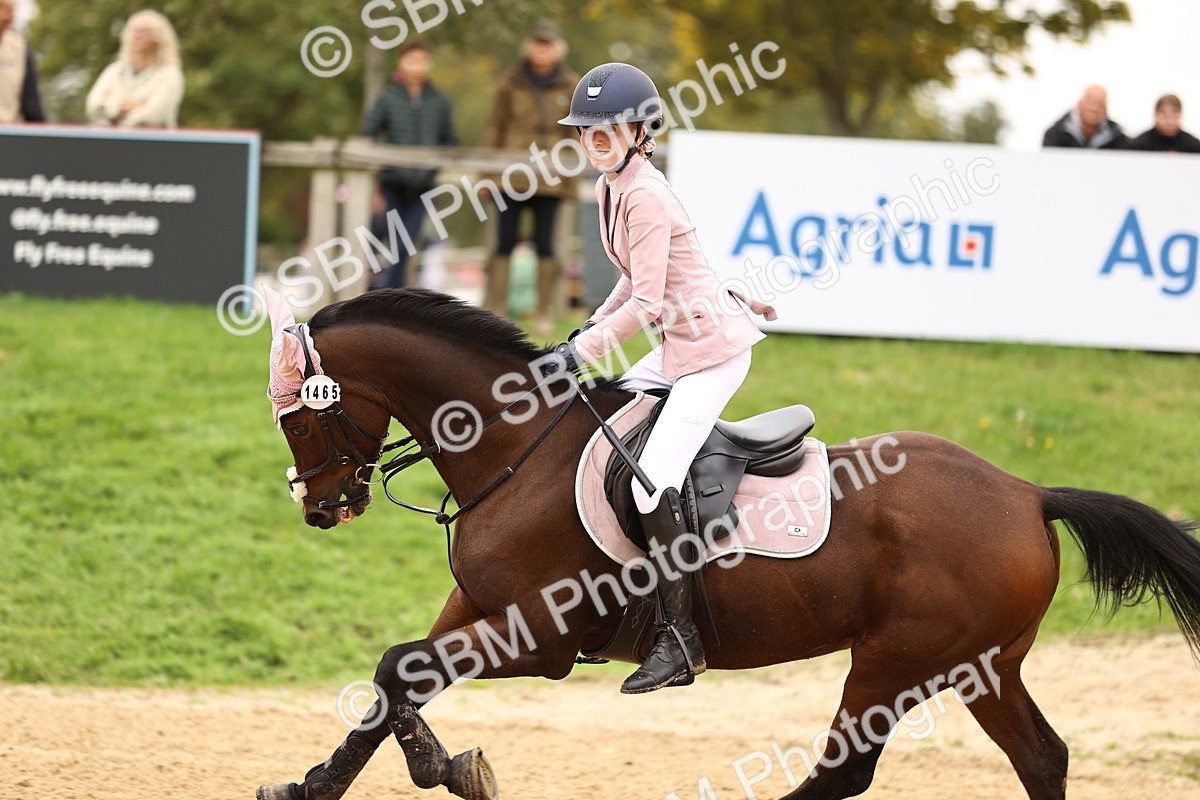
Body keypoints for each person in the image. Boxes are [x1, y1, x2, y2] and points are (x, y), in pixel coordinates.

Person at [552, 63, 776, 694]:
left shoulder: (645, 193)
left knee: (651, 483)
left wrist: (582, 352)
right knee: (613, 426)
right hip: (680, 342)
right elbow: (630, 278)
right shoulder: (611, 187)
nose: (594, 140)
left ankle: (681, 641)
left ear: (639, 131)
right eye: (585, 131)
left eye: (606, 129)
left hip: (711, 350)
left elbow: (648, 304)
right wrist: (584, 336)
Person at [480, 20, 578, 333]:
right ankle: (495, 311)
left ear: (557, 49)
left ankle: (544, 313)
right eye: (537, 42)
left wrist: (570, 182)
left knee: (546, 245)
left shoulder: (571, 85)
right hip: (510, 174)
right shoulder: (510, 82)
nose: (541, 49)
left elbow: (575, 135)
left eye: (547, 44)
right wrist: (487, 175)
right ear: (529, 45)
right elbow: (494, 127)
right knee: (504, 242)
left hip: (551, 178)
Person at [360, 39, 458, 289]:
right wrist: (382, 168)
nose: (417, 66)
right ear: (401, 63)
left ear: (429, 64)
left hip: (424, 187)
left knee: (407, 243)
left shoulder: (439, 101)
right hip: (392, 185)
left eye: (422, 61)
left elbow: (451, 141)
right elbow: (367, 134)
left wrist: (434, 164)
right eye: (412, 60)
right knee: (391, 243)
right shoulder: (387, 98)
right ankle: (385, 294)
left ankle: (387, 295)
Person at [85, 9, 183, 128]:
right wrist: (120, 108)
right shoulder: (114, 71)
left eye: (145, 31)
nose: (138, 35)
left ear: (159, 37)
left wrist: (114, 113)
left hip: (152, 143)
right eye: (134, 31)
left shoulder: (169, 75)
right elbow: (92, 106)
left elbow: (154, 115)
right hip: (110, 142)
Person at [1042, 85, 1128, 150]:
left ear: (1106, 109)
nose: (1094, 109)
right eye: (1090, 102)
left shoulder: (1118, 138)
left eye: (1100, 105)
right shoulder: (1055, 135)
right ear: (1079, 104)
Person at [0, 0, 44, 123]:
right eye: (6, 10)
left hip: (10, 135)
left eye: (12, 10)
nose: (11, 16)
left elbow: (32, 105)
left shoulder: (19, 48)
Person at [1130, 94, 1200, 154]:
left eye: (1175, 116)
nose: (1170, 122)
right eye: (1164, 116)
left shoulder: (1193, 146)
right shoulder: (1140, 145)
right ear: (1155, 115)